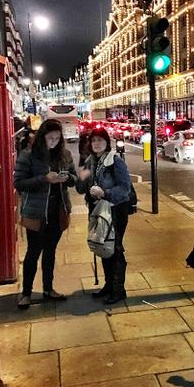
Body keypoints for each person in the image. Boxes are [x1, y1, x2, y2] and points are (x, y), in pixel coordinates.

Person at [14, 119, 77, 309]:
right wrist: (44, 179)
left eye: (57, 138)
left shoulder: (64, 154)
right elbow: (18, 183)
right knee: (33, 252)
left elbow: (74, 178)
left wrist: (67, 179)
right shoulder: (29, 155)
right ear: (43, 136)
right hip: (36, 212)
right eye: (50, 138)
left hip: (58, 210)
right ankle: (26, 294)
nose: (54, 141)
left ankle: (48, 289)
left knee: (50, 252)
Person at [76, 127, 131, 304]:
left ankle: (118, 290)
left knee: (115, 249)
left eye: (100, 140)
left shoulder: (115, 161)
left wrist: (105, 193)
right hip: (96, 211)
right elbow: (79, 188)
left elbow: (125, 189)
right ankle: (109, 286)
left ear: (107, 142)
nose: (96, 144)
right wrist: (82, 175)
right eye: (93, 141)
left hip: (115, 210)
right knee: (102, 246)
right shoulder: (90, 161)